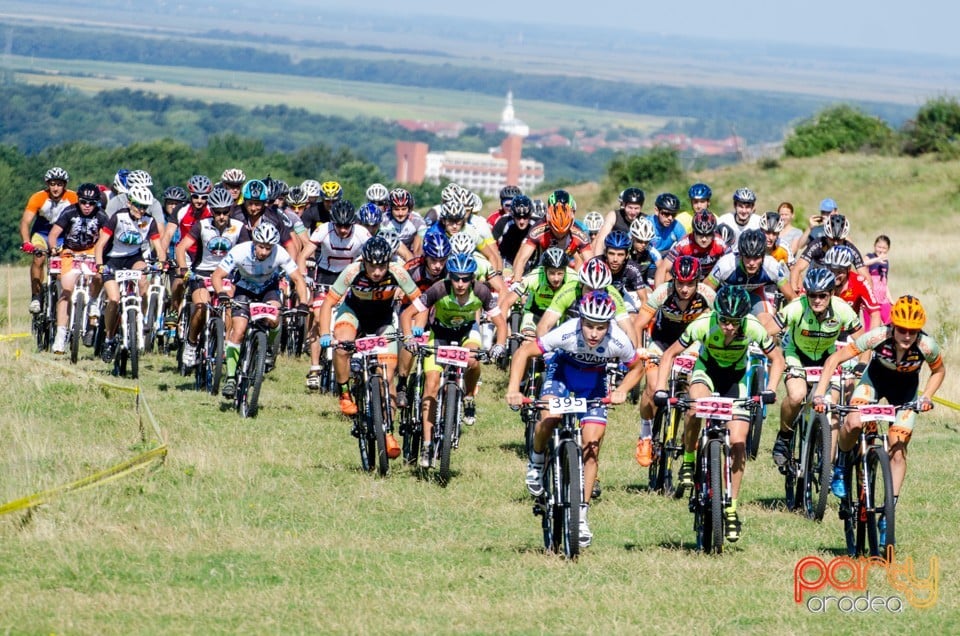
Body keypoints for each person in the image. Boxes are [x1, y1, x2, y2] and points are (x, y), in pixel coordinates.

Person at [506, 291, 648, 548]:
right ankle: (537, 461)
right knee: (550, 418)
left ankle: (581, 515)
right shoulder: (566, 332)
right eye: (589, 325)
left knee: (592, 447)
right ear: (580, 319)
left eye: (600, 327)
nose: (594, 333)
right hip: (562, 374)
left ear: (609, 325)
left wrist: (622, 390)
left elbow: (638, 367)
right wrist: (514, 389)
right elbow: (524, 353)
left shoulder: (618, 340)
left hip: (593, 383)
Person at [654, 286, 784, 542]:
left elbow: (777, 359)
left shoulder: (753, 327)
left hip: (736, 378)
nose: (728, 327)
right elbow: (669, 355)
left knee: (738, 442)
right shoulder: (703, 323)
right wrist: (659, 388)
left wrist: (770, 389)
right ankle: (690, 459)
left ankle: (732, 507)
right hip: (707, 371)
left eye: (734, 323)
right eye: (724, 320)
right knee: (693, 408)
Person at [813, 296, 944, 518]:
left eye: (913, 331)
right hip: (873, 383)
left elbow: (939, 371)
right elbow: (834, 360)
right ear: (893, 325)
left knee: (898, 448)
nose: (908, 335)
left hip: (905, 393)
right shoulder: (877, 336)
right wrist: (819, 394)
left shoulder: (926, 345)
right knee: (853, 423)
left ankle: (888, 513)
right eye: (902, 330)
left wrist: (927, 396)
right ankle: (842, 464)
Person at [400, 253, 506, 465]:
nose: (460, 283)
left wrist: (499, 345)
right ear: (450, 277)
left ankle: (468, 397)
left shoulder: (481, 292)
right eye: (456, 278)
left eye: (465, 279)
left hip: (467, 332)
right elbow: (406, 315)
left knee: (473, 361)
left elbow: (501, 323)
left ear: (472, 279)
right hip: (438, 335)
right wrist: (409, 337)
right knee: (430, 385)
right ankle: (428, 447)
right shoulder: (439, 289)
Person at [317, 236, 422, 442]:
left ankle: (388, 432)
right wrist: (325, 334)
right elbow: (328, 304)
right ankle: (345, 393)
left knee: (387, 377)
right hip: (353, 313)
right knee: (343, 346)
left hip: (383, 320)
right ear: (363, 261)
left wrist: (416, 326)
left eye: (382, 266)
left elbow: (419, 302)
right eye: (372, 266)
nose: (376, 272)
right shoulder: (352, 272)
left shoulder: (398, 272)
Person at [768, 268, 863, 473]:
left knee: (832, 406)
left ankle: (826, 458)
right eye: (812, 295)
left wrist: (861, 363)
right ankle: (784, 437)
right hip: (797, 355)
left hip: (826, 359)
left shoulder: (842, 309)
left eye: (822, 295)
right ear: (806, 294)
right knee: (797, 395)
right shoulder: (797, 307)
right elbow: (768, 330)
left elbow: (863, 340)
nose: (817, 300)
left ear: (831, 294)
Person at [212, 223, 310, 399]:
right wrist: (221, 293)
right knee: (239, 331)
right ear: (254, 243)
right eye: (261, 247)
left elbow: (298, 278)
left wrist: (303, 303)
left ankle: (269, 350)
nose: (265, 252)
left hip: (268, 290)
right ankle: (231, 377)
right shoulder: (240, 251)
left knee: (274, 318)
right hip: (243, 289)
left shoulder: (280, 253)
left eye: (268, 248)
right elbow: (217, 275)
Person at [633, 256, 715, 465]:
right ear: (673, 281)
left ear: (698, 281)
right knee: (652, 387)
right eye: (680, 283)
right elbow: (639, 323)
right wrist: (637, 350)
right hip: (661, 342)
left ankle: (687, 432)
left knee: (689, 389)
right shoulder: (663, 293)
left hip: (691, 344)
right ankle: (645, 436)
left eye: (690, 284)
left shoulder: (707, 295)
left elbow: (719, 324)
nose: (685, 289)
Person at [299, 200, 372, 389]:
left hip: (349, 277)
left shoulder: (362, 233)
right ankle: (315, 367)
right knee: (317, 319)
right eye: (339, 226)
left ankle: (351, 358)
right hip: (325, 276)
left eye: (347, 226)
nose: (343, 230)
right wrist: (304, 277)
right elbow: (303, 256)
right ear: (333, 223)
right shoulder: (323, 229)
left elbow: (372, 257)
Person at [175, 187, 248, 368]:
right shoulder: (202, 225)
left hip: (227, 274)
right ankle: (191, 344)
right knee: (200, 307)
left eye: (225, 212)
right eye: (217, 212)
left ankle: (224, 342)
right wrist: (183, 268)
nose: (221, 216)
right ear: (212, 210)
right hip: (202, 273)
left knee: (230, 306)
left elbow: (248, 252)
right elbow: (181, 247)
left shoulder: (239, 227)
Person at [93, 184, 166, 362]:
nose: (141, 210)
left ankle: (140, 318)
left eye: (144, 207)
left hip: (134, 257)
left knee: (143, 281)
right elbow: (100, 244)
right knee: (114, 299)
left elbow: (159, 246)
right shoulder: (118, 217)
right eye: (138, 205)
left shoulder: (149, 221)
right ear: (129, 203)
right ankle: (109, 338)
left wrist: (162, 263)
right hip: (112, 259)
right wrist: (100, 264)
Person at [46, 182, 108, 353]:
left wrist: (102, 256)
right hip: (70, 252)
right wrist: (53, 248)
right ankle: (60, 335)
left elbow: (106, 238)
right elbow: (53, 234)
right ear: (78, 200)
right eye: (83, 202)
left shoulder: (102, 215)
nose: (87, 206)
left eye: (91, 203)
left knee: (99, 276)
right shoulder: (69, 212)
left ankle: (94, 301)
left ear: (97, 203)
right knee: (66, 291)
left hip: (92, 252)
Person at [705, 229, 796, 330]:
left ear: (763, 256)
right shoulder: (726, 265)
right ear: (740, 255)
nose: (752, 263)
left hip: (754, 294)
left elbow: (792, 297)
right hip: (725, 296)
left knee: (768, 325)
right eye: (747, 257)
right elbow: (704, 292)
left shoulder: (772, 266)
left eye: (756, 257)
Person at [20, 167, 78, 314]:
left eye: (59, 184)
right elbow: (25, 222)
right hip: (42, 233)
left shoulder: (73, 197)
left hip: (62, 236)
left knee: (61, 269)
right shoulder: (38, 197)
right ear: (47, 184)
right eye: (52, 184)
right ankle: (36, 297)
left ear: (64, 185)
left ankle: (62, 299)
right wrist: (27, 242)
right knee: (39, 258)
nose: (56, 188)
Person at [497, 247, 577, 336]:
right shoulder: (534, 277)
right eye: (551, 273)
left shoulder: (574, 279)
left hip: (558, 316)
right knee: (528, 341)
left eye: (560, 273)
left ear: (565, 270)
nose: (556, 278)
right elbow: (507, 302)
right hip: (535, 313)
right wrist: (503, 328)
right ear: (544, 270)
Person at [790, 213, 869, 294]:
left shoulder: (849, 247)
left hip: (839, 285)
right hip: (817, 284)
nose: (835, 243)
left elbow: (866, 276)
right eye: (832, 239)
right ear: (826, 235)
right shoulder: (817, 244)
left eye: (839, 240)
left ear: (844, 237)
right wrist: (794, 294)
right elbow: (797, 269)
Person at [654, 209, 727, 287]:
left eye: (708, 235)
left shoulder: (720, 243)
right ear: (694, 232)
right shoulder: (684, 244)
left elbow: (732, 263)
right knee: (666, 276)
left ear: (713, 233)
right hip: (687, 282)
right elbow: (663, 268)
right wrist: (658, 294)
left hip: (710, 281)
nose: (704, 239)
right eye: (700, 235)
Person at [823, 245, 881, 333]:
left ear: (848, 269)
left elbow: (875, 314)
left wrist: (871, 341)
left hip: (849, 331)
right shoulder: (820, 280)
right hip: (824, 330)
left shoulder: (859, 283)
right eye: (831, 270)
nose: (835, 275)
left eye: (839, 271)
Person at [492, 194, 535, 277]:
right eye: (518, 217)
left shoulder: (536, 222)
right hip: (507, 260)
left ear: (530, 215)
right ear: (512, 215)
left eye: (525, 217)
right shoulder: (503, 221)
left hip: (529, 260)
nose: (522, 221)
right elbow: (491, 244)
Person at [592, 187, 645, 251]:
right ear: (624, 205)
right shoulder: (614, 216)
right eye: (630, 207)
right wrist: (598, 259)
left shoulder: (645, 219)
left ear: (641, 207)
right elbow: (601, 240)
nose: (633, 212)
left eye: (636, 208)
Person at [384, 187, 425, 258]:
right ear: (390, 209)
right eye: (396, 209)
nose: (400, 213)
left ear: (409, 208)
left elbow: (421, 248)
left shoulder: (417, 220)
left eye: (404, 209)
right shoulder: (383, 220)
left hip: (411, 256)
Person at [864, 235, 892, 329]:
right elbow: (862, 264)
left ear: (888, 249)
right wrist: (877, 260)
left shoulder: (886, 262)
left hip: (883, 299)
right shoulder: (869, 257)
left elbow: (885, 283)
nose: (881, 250)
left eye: (884, 248)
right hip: (870, 299)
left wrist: (890, 299)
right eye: (879, 247)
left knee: (891, 322)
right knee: (871, 328)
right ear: (874, 246)